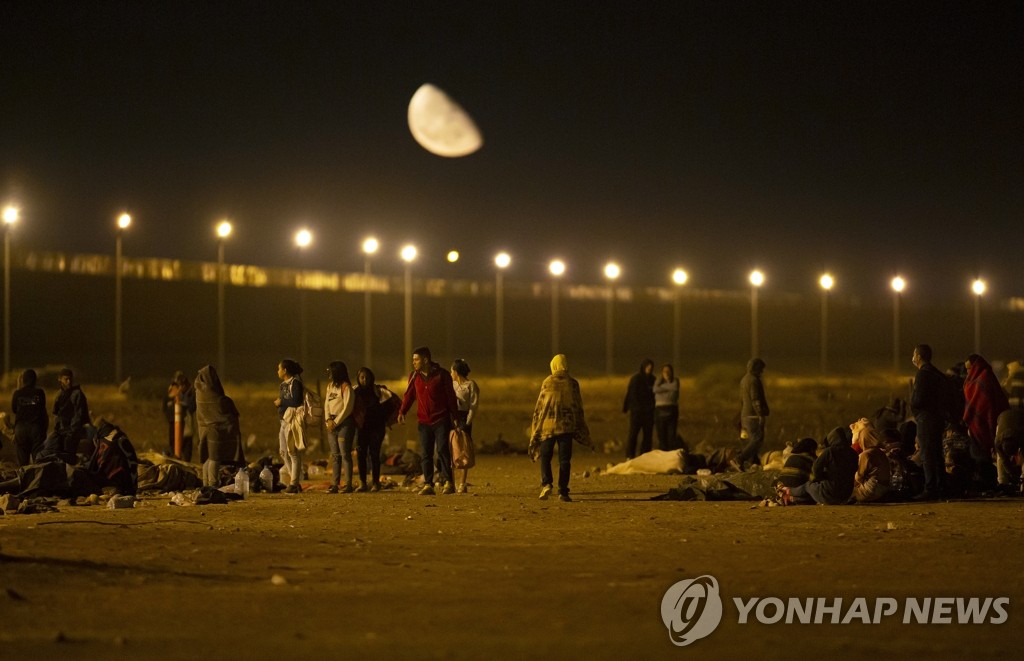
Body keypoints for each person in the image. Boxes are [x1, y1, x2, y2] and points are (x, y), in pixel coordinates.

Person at [528, 354, 592, 502]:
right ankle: (563, 491)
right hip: (566, 427)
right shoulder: (573, 384)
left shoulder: (547, 382)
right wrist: (580, 427)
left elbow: (540, 406)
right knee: (564, 460)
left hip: (547, 427)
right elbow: (578, 406)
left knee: (545, 456)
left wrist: (535, 426)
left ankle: (546, 483)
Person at [398, 346, 458, 495]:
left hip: (441, 419)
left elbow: (451, 397)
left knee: (443, 451)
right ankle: (428, 484)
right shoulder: (414, 376)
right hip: (424, 421)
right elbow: (409, 396)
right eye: (413, 360)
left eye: (416, 359)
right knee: (426, 454)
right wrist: (402, 411)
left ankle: (448, 482)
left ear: (426, 360)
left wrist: (455, 417)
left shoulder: (442, 375)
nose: (414, 362)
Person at [194, 365, 245, 488]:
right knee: (214, 458)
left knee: (208, 458)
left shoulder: (199, 391)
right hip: (215, 429)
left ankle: (205, 483)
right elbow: (223, 406)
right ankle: (213, 484)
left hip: (203, 428)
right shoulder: (212, 394)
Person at [910, 344, 949, 499]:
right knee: (937, 453)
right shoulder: (937, 374)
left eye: (914, 354)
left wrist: (914, 407)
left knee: (927, 453)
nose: (912, 357)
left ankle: (930, 488)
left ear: (919, 356)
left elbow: (918, 399)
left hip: (926, 418)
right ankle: (941, 486)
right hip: (938, 418)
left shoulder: (922, 374)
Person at [962, 354, 1008, 482]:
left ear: (976, 367)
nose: (967, 371)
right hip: (976, 424)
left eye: (969, 368)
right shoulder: (973, 380)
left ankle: (988, 481)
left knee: (982, 455)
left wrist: (971, 416)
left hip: (984, 423)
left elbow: (985, 404)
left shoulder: (984, 378)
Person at [785, 427, 858, 505]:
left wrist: (821, 477)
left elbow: (816, 467)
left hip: (829, 494)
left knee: (807, 486)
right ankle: (794, 497)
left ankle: (789, 491)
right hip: (846, 495)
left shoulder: (830, 451)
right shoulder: (853, 454)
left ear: (832, 439)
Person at [352, 367, 391, 492]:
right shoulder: (354, 392)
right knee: (361, 455)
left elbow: (389, 405)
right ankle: (363, 483)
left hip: (377, 428)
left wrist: (385, 420)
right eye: (362, 377)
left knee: (374, 455)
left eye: (367, 377)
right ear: (358, 378)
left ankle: (375, 483)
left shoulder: (378, 391)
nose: (364, 380)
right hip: (362, 428)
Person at [40, 368, 90, 464]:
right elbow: (56, 414)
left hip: (72, 432)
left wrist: (71, 432)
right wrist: (58, 430)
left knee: (68, 455)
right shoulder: (59, 394)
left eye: (70, 379)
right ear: (60, 379)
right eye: (66, 379)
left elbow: (78, 416)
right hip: (61, 431)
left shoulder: (77, 394)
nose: (69, 382)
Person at [274, 359, 306, 494]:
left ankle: (294, 483)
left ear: (285, 370)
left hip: (292, 420)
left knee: (293, 452)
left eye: (279, 369)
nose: (278, 371)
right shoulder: (283, 385)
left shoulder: (296, 383)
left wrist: (282, 402)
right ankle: (295, 480)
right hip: (283, 421)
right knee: (283, 452)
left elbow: (296, 401)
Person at [324, 361, 355, 493]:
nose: (329, 373)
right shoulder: (330, 386)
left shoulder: (346, 387)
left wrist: (335, 422)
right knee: (335, 455)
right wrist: (327, 420)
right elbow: (326, 404)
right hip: (331, 423)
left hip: (344, 424)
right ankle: (334, 484)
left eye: (331, 371)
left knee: (345, 454)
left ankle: (348, 484)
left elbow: (348, 408)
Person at [450, 358, 479, 494]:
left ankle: (462, 483)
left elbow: (473, 406)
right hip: (451, 417)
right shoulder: (451, 385)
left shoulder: (471, 385)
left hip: (464, 418)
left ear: (456, 371)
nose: (451, 373)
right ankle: (450, 482)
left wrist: (467, 423)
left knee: (463, 450)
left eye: (452, 371)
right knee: (451, 448)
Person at [11, 368, 48, 466]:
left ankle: (24, 479)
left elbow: (14, 410)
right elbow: (42, 410)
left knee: (23, 462)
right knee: (38, 460)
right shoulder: (40, 393)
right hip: (36, 428)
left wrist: (19, 387)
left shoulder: (17, 393)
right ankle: (37, 479)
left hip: (21, 429)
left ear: (23, 380)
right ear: (35, 380)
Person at [737, 358, 770, 470]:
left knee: (749, 441)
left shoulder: (744, 380)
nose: (762, 372)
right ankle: (739, 459)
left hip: (745, 416)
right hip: (753, 417)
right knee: (757, 439)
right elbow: (755, 399)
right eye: (761, 369)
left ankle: (754, 463)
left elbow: (742, 399)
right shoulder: (754, 381)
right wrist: (760, 415)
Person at [622, 358, 655, 459]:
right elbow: (631, 394)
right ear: (644, 367)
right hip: (637, 412)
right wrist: (627, 407)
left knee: (647, 435)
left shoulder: (653, 379)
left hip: (649, 412)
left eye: (651, 367)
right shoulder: (636, 379)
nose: (649, 368)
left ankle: (644, 455)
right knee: (633, 434)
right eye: (648, 366)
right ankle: (630, 455)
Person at [163, 370, 197, 462]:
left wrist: (183, 405)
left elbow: (192, 407)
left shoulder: (190, 394)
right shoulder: (171, 394)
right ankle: (174, 459)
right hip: (173, 423)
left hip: (185, 424)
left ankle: (185, 461)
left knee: (186, 446)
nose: (180, 387)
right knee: (173, 444)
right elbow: (165, 407)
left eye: (182, 384)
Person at [853, 427, 890, 503]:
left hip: (872, 489)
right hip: (884, 488)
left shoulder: (866, 454)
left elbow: (859, 477)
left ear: (864, 439)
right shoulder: (881, 452)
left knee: (846, 492)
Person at [653, 363, 680, 451]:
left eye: (668, 371)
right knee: (661, 435)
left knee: (671, 435)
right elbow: (655, 389)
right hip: (660, 410)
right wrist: (668, 389)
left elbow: (675, 388)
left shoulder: (675, 380)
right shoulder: (658, 381)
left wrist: (662, 388)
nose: (667, 373)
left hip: (671, 409)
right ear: (662, 373)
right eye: (664, 371)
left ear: (672, 372)